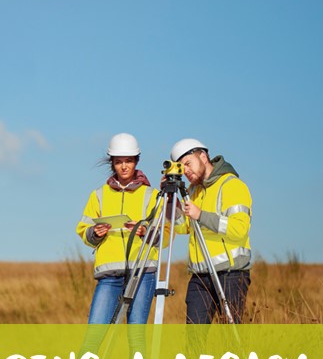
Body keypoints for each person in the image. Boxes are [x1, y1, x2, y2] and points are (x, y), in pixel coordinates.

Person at [76, 133, 164, 326]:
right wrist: (95, 233)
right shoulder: (98, 195)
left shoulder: (152, 195)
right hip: (109, 275)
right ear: (112, 163)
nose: (124, 166)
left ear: (136, 161)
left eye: (129, 161)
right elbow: (84, 230)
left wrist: (145, 232)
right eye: (119, 162)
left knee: (136, 334)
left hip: (142, 273)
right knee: (94, 333)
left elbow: (165, 234)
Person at [170, 138, 252, 324]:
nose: (186, 171)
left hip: (231, 274)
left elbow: (239, 229)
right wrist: (169, 199)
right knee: (194, 338)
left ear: (203, 156)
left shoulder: (232, 185)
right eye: (182, 168)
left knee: (230, 337)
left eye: (188, 164)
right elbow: (184, 226)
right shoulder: (192, 191)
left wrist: (201, 215)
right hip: (200, 276)